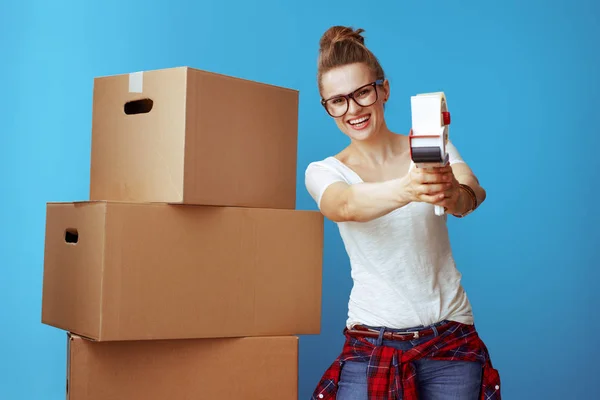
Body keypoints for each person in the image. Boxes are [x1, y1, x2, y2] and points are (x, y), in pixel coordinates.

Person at [304, 26, 501, 400]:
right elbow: (344, 205)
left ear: (384, 90)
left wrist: (454, 195)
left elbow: (472, 189)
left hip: (449, 340)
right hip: (372, 343)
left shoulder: (427, 146)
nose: (353, 109)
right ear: (328, 107)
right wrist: (408, 189)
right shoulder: (324, 170)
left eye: (362, 92)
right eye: (338, 100)